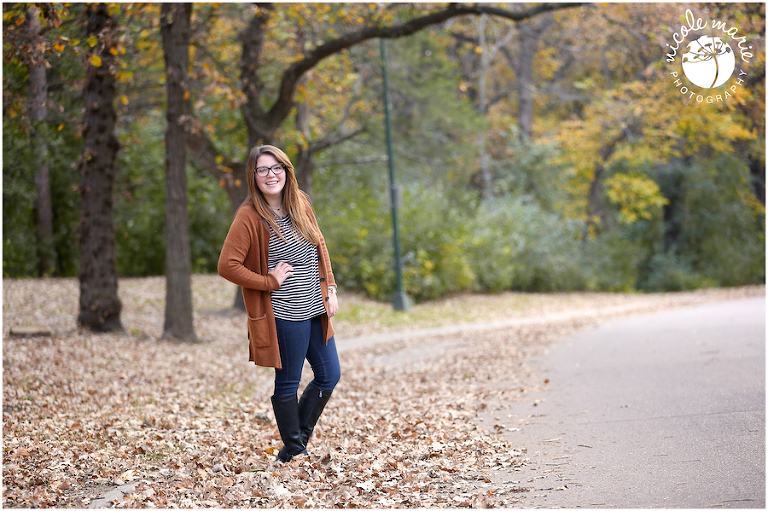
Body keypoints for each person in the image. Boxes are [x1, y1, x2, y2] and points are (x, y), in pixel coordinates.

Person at [218, 144, 340, 462]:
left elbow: (319, 244)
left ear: (286, 171)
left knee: (329, 374)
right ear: (253, 176)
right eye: (263, 169)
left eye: (277, 168)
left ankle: (291, 449)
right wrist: (268, 282)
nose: (271, 175)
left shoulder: (299, 203)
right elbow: (227, 265)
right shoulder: (249, 216)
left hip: (314, 307)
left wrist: (330, 289)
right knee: (288, 382)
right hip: (284, 312)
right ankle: (297, 452)